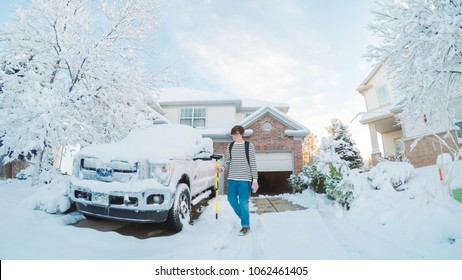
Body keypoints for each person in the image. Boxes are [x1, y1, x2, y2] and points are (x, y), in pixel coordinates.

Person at [218, 125, 259, 235]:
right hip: (231, 178)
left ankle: (245, 226)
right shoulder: (230, 146)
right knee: (231, 200)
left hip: (244, 180)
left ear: (241, 134)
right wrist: (221, 168)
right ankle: (243, 216)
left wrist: (255, 180)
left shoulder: (249, 146)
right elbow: (227, 161)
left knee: (243, 202)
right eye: (233, 134)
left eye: (236, 134)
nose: (234, 136)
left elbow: (253, 163)